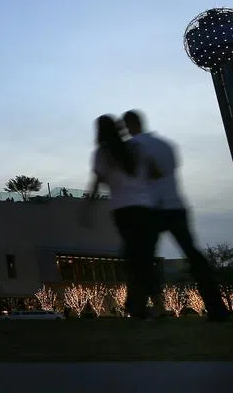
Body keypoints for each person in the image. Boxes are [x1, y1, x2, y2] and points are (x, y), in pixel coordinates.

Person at [123, 109, 229, 322]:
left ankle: (137, 308)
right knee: (193, 255)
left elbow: (139, 175)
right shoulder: (166, 145)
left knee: (141, 258)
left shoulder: (133, 147)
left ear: (129, 126)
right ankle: (216, 307)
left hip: (151, 208)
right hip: (176, 205)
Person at [81, 114, 159, 319]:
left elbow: (96, 182)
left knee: (134, 256)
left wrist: (87, 207)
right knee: (143, 256)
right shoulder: (134, 148)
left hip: (123, 209)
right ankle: (148, 303)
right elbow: (155, 172)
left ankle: (138, 304)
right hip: (145, 207)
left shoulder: (102, 152)